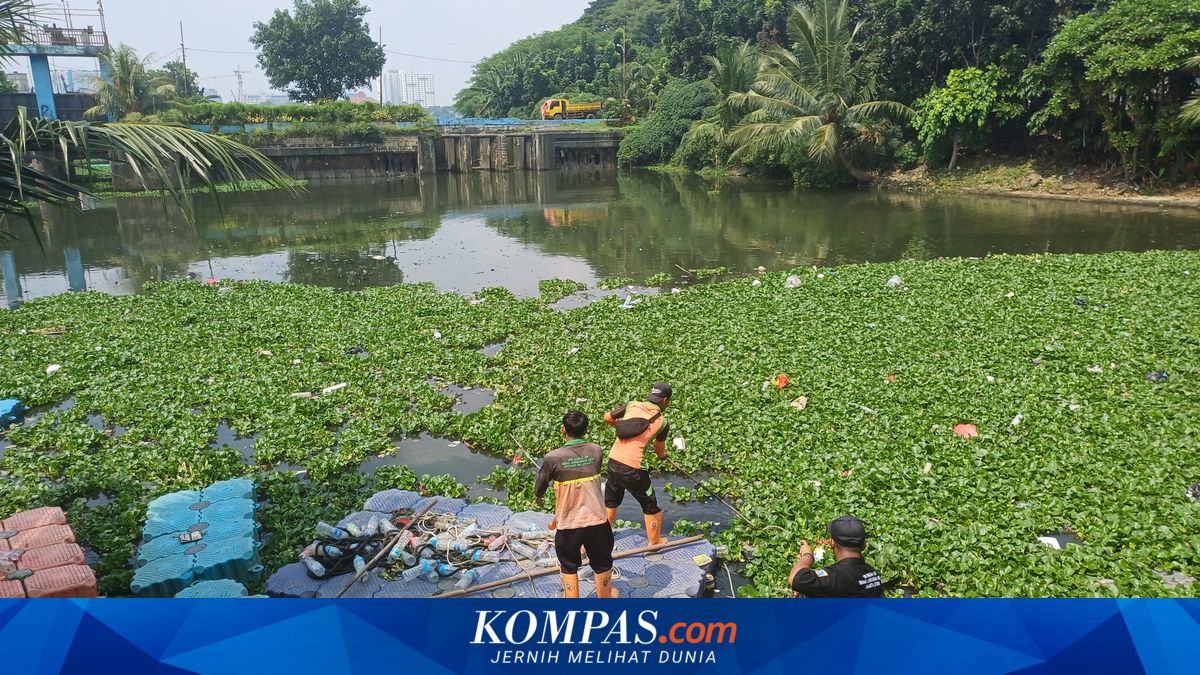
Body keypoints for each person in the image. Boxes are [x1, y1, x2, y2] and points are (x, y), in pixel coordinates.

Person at [535, 411, 616, 599]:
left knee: (568, 565)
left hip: (569, 524)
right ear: (586, 430)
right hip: (597, 521)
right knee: (602, 562)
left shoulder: (552, 458)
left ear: (564, 429)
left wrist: (539, 497)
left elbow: (541, 483)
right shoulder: (596, 450)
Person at [602, 382, 672, 544]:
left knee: (611, 500)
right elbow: (659, 450)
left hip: (614, 460)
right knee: (650, 504)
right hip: (634, 469)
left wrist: (622, 425)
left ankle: (604, 535)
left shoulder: (632, 405)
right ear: (665, 400)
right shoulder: (662, 422)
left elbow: (607, 417)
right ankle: (655, 543)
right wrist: (664, 456)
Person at [789, 515, 883, 598]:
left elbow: (795, 578)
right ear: (864, 545)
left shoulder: (835, 576)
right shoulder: (873, 574)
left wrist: (807, 555)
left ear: (832, 543)